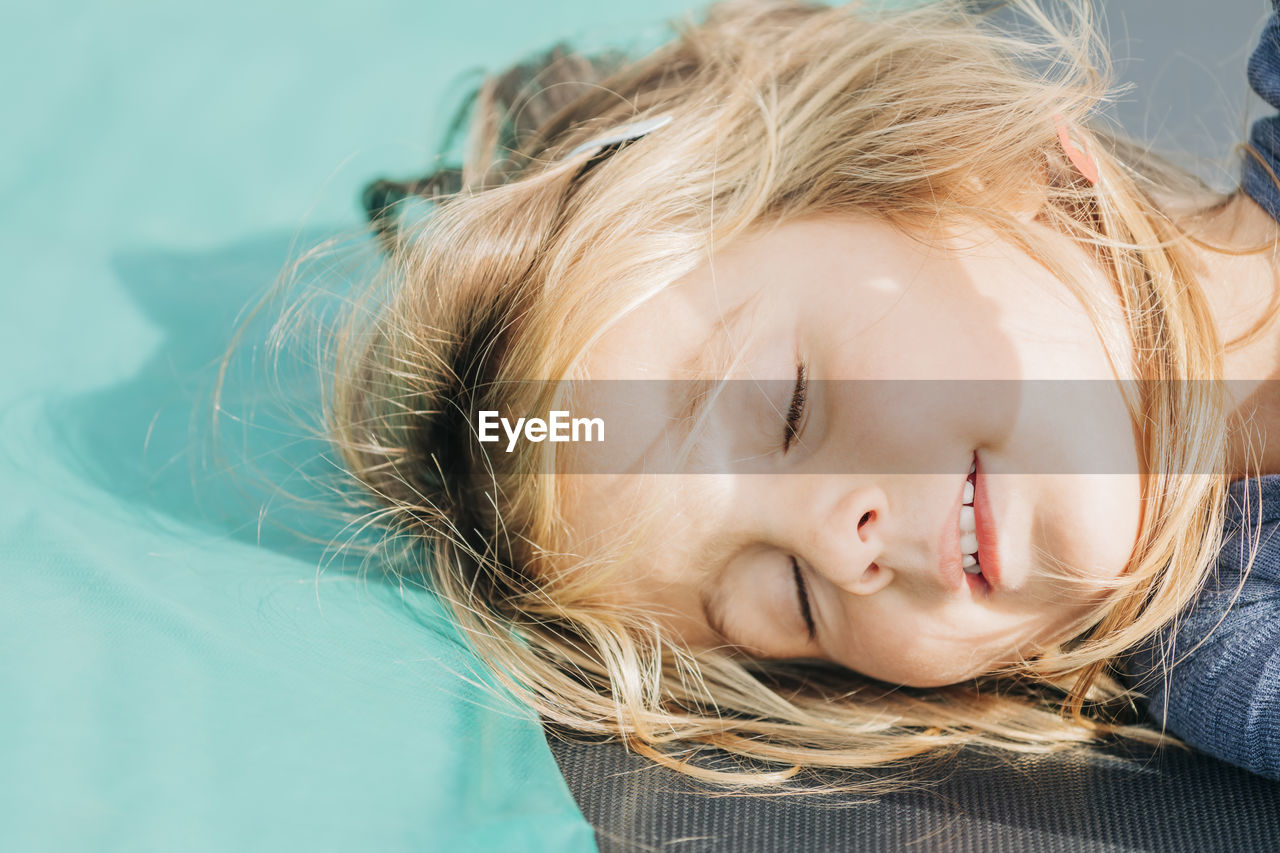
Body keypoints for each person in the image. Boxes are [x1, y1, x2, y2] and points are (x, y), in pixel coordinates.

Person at [330, 0, 1280, 787]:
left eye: (788, 405)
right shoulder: (1235, 672)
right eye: (790, 599)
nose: (837, 540)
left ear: (956, 168)